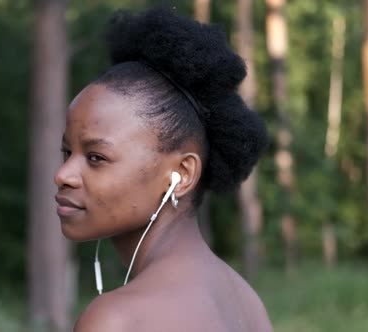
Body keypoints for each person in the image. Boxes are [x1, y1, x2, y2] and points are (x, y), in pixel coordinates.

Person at [54, 8, 273, 332]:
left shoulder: (118, 320)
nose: (64, 175)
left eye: (96, 157)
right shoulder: (246, 302)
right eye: (67, 152)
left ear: (182, 174)